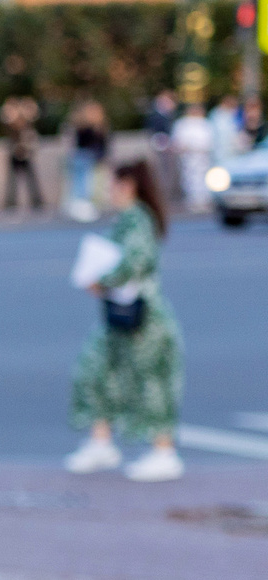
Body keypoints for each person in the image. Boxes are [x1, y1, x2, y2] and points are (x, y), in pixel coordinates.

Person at [65, 158, 185, 482]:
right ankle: (101, 440)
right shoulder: (129, 219)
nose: (107, 191)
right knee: (97, 371)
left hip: (143, 317)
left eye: (111, 184)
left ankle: (164, 451)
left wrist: (100, 281)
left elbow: (135, 262)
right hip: (121, 314)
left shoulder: (137, 220)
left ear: (127, 185)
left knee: (151, 381)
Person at [64, 98, 109, 221]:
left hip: (83, 156)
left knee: (83, 183)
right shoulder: (90, 125)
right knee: (85, 183)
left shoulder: (82, 124)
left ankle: (82, 206)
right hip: (86, 156)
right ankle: (83, 206)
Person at [170, 96, 215, 214]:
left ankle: (203, 200)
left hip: (202, 157)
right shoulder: (182, 124)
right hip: (188, 158)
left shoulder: (205, 123)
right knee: (189, 179)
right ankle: (193, 201)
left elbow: (210, 141)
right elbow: (177, 141)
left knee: (203, 179)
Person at [0, 93, 43, 212]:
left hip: (26, 154)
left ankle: (37, 202)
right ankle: (10, 203)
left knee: (31, 179)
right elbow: (5, 117)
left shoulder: (27, 124)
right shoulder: (11, 125)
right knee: (12, 180)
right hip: (14, 154)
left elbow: (31, 135)